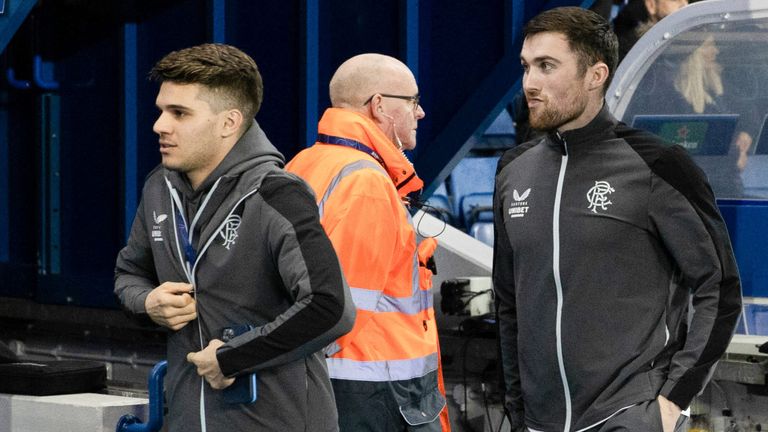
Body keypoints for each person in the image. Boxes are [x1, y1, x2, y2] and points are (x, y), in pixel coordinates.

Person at [493, 7, 741, 432]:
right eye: (526, 67)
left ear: (596, 75)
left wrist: (670, 402)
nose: (530, 83)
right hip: (539, 421)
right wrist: (518, 409)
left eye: (547, 66)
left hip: (628, 417)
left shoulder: (657, 165)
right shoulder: (514, 170)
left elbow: (718, 287)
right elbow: (508, 301)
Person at [114, 43, 355, 432]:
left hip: (277, 421)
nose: (160, 125)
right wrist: (148, 301)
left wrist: (232, 357)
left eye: (179, 113)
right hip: (188, 418)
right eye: (161, 110)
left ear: (228, 122)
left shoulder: (277, 194)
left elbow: (330, 306)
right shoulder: (159, 188)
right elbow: (128, 274)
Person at [286, 53, 450, 432]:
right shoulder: (367, 183)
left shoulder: (303, 164)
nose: (420, 113)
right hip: (373, 393)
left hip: (333, 383)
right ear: (379, 106)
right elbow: (339, 308)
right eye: (413, 101)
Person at [613, 0, 688, 62]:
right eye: (674, 0)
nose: (685, 5)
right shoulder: (633, 50)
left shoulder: (694, 38)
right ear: (651, 5)